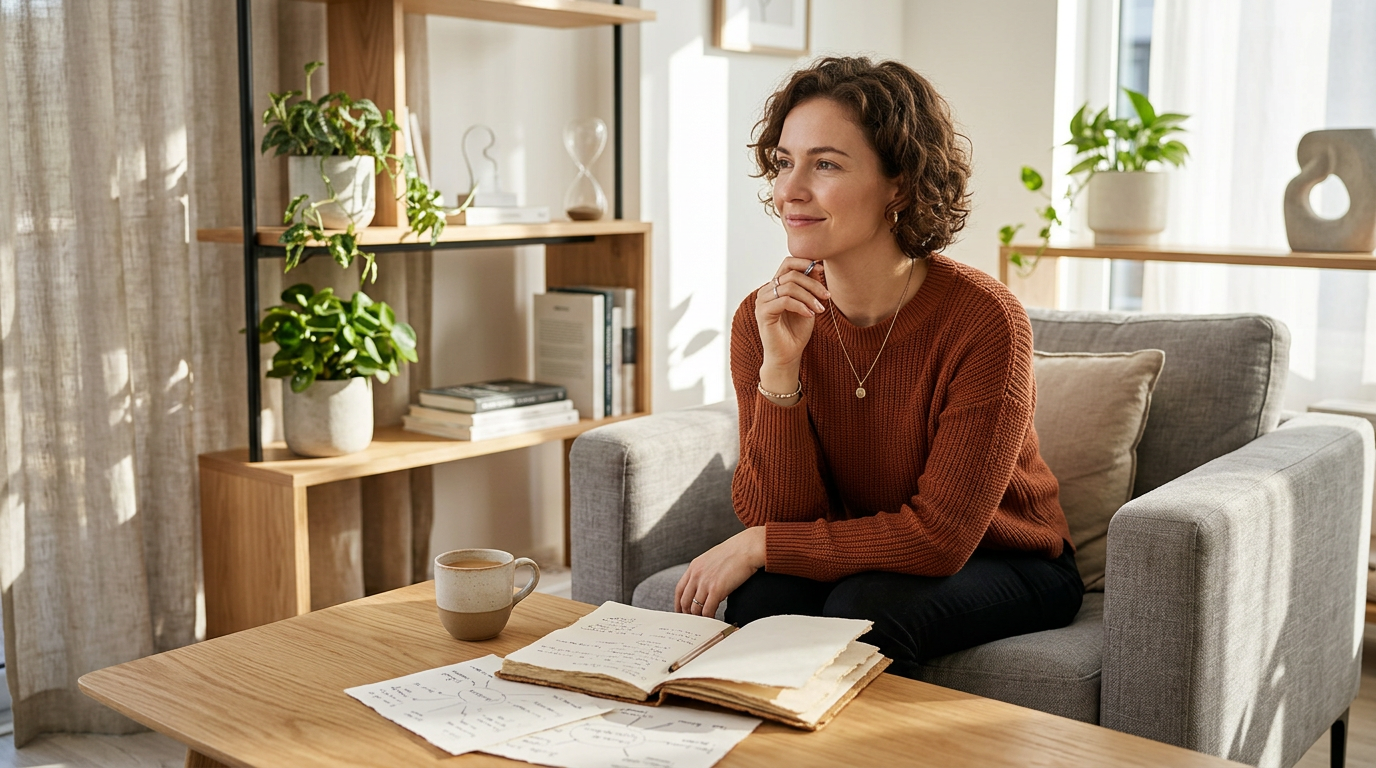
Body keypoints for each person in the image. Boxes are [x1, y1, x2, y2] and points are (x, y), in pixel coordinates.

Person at [672, 56, 1083, 679]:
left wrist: (762, 545)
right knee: (762, 599)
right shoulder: (764, 320)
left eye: (826, 164)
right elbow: (777, 514)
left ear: (900, 186)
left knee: (864, 612)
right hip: (864, 552)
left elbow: (940, 538)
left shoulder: (985, 320)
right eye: (784, 161)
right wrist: (781, 371)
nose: (790, 190)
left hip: (1010, 558)